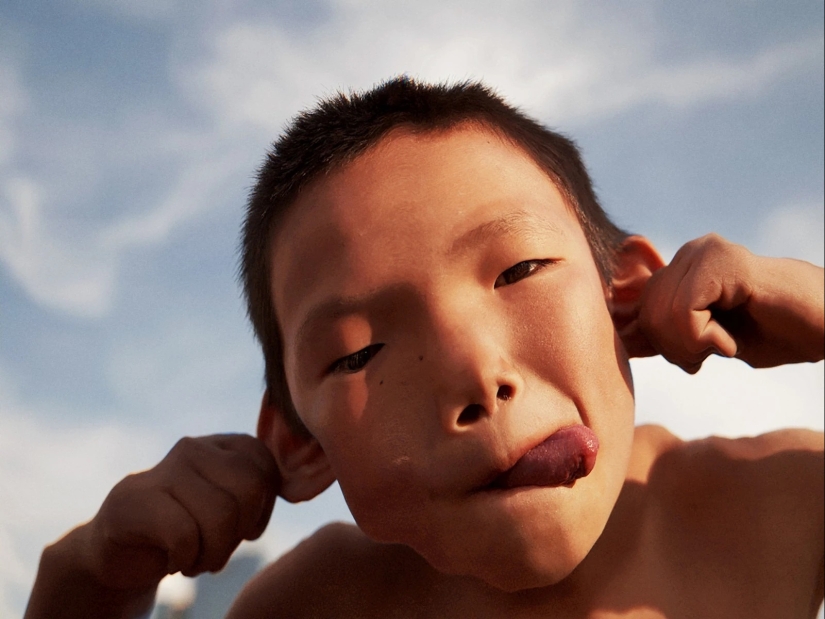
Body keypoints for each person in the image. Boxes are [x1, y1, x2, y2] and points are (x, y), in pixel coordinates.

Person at [25, 78, 824, 618]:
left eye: (519, 269)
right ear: (302, 443)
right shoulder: (323, 602)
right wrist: (90, 577)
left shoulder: (782, 499)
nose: (477, 376)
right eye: (358, 352)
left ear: (625, 295)